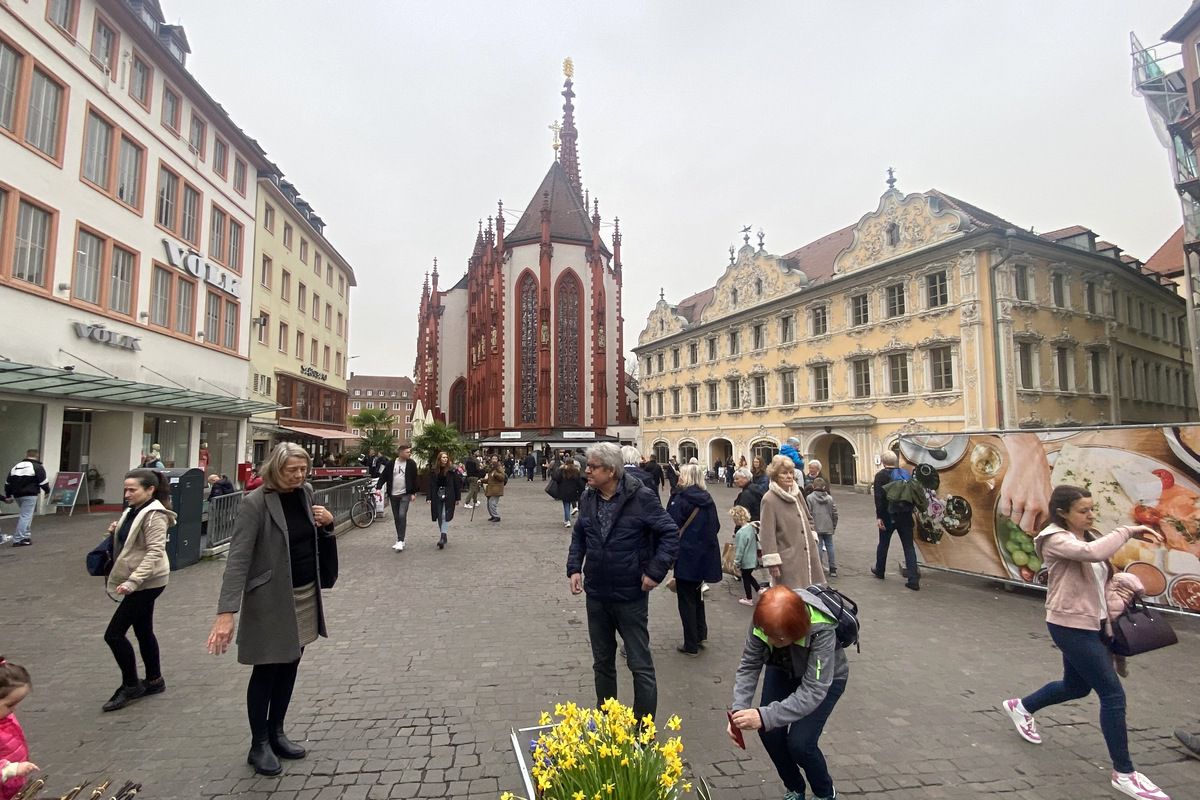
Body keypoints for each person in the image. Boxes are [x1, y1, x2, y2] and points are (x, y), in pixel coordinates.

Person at [1001, 485, 1170, 800]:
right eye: (1084, 510)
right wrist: (1127, 530)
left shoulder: (1087, 535)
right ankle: (1124, 774)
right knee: (1112, 695)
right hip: (1069, 625)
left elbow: (1098, 572)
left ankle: (1021, 706)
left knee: (1076, 687)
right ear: (1062, 513)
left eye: (1092, 509)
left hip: (1093, 623)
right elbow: (1092, 554)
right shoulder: (1053, 539)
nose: (1091, 515)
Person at [207, 443, 336, 777]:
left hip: (304, 593)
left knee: (291, 663)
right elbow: (238, 559)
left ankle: (277, 731)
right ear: (275, 469)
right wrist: (226, 612)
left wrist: (328, 523)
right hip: (271, 598)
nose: (299, 475)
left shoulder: (306, 493)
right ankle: (259, 743)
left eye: (303, 469)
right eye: (292, 470)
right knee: (266, 669)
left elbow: (311, 535)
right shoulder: (255, 503)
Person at [567, 442, 680, 723]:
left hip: (631, 594)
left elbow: (670, 533)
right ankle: (608, 724)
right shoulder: (588, 497)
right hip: (597, 593)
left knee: (640, 665)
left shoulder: (641, 497)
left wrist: (654, 572)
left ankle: (643, 729)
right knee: (602, 663)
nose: (587, 471)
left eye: (593, 467)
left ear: (611, 471)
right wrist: (574, 568)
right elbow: (580, 534)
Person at [729, 586, 849, 800]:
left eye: (778, 638)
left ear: (797, 631)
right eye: (767, 634)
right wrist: (739, 710)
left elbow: (814, 690)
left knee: (801, 744)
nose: (770, 641)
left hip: (824, 680)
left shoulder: (821, 630)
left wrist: (764, 715)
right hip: (784, 668)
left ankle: (824, 792)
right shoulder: (763, 622)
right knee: (769, 732)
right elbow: (749, 664)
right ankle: (794, 786)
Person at [102, 469, 175, 712]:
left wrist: (133, 582)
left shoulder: (154, 515)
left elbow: (155, 552)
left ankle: (131, 684)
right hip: (139, 580)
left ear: (150, 489)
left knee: (114, 634)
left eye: (132, 489)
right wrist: (116, 531)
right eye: (126, 489)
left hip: (147, 583)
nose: (127, 494)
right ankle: (154, 680)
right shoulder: (133, 510)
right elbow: (134, 541)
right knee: (143, 630)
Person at [666, 464, 722, 656]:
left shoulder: (680, 498)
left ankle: (690, 644)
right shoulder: (707, 499)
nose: (678, 477)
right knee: (697, 595)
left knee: (686, 599)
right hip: (705, 555)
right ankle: (700, 633)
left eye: (681, 475)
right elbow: (716, 526)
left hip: (686, 555)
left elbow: (670, 525)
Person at [759, 455, 825, 589]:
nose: (789, 476)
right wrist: (772, 562)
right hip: (788, 560)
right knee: (791, 597)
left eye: (791, 473)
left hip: (808, 554)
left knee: (812, 594)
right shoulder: (769, 499)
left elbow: (808, 517)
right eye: (784, 473)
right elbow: (767, 534)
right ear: (775, 476)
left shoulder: (797, 492)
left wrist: (812, 537)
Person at [871, 451, 920, 590]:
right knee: (909, 547)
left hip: (888, 516)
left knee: (883, 543)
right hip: (905, 516)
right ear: (895, 461)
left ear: (882, 462)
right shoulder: (905, 474)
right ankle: (913, 580)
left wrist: (879, 517)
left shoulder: (880, 476)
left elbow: (879, 498)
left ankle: (880, 571)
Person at [0, 658, 38, 800]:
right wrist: (9, 769)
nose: (14, 709)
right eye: (10, 704)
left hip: (11, 785)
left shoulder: (5, 715)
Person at [376, 443, 417, 552]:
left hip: (405, 494)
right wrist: (378, 487)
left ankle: (400, 540)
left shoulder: (411, 464)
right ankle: (400, 539)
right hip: (393, 494)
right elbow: (384, 476)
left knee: (402, 515)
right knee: (397, 517)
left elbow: (414, 478)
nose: (409, 454)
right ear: (401, 453)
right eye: (407, 452)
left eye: (409, 452)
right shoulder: (391, 463)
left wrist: (413, 493)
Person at [3, 450, 49, 547]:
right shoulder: (37, 467)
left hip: (17, 495)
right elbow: (43, 482)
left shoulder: (16, 467)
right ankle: (18, 539)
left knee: (26, 515)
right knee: (26, 516)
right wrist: (47, 491)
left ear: (26, 455)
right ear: (37, 456)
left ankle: (26, 536)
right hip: (30, 494)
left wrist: (8, 495)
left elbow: (8, 483)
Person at [427, 451, 462, 549]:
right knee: (439, 515)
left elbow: (456, 484)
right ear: (439, 459)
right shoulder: (434, 471)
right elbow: (430, 485)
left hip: (449, 494)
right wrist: (429, 497)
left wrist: (457, 497)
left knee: (444, 515)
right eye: (443, 457)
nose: (445, 459)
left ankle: (442, 537)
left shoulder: (452, 470)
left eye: (446, 457)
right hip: (437, 494)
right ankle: (444, 533)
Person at [806, 478, 839, 577]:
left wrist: (810, 526)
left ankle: (819, 567)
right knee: (830, 546)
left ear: (813, 486)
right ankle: (833, 568)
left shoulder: (809, 498)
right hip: (828, 525)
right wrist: (833, 525)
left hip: (816, 526)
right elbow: (835, 513)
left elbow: (808, 513)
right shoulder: (829, 498)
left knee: (819, 546)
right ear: (824, 487)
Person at [731, 505, 762, 606]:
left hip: (746, 560)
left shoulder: (740, 533)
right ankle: (759, 590)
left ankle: (749, 599)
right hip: (753, 558)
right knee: (748, 576)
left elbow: (740, 549)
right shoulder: (751, 528)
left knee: (746, 578)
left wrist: (736, 562)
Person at [555, 459, 586, 528]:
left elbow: (556, 478)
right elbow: (579, 481)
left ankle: (567, 520)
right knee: (570, 503)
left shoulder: (563, 470)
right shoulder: (576, 471)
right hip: (573, 490)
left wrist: (559, 470)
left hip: (563, 490)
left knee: (566, 505)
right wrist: (580, 490)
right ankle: (568, 519)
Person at [484, 456, 507, 522]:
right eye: (493, 459)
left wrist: (496, 474)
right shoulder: (492, 468)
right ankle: (493, 515)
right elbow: (489, 479)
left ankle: (496, 516)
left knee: (492, 503)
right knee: (489, 503)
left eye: (495, 459)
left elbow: (502, 477)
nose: (494, 460)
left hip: (496, 489)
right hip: (491, 489)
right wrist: (482, 480)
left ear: (497, 460)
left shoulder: (499, 467)